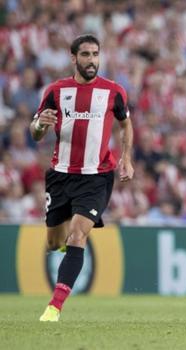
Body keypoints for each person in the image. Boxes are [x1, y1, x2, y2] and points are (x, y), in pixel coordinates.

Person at [31, 34, 134, 322]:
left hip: (96, 177)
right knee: (53, 243)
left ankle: (54, 307)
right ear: (73, 57)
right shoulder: (56, 90)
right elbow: (35, 132)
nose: (92, 60)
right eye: (86, 55)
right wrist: (40, 125)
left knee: (78, 235)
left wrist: (126, 158)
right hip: (61, 175)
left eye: (95, 54)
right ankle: (62, 244)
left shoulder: (114, 92)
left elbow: (126, 125)